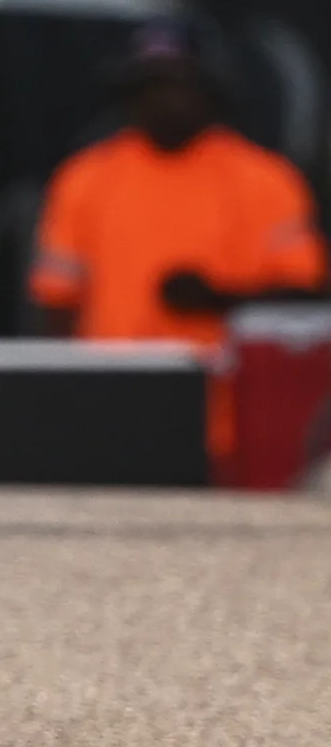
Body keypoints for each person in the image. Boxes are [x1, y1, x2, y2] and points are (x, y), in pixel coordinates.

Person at [30, 24, 327, 458]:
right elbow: (56, 302)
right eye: (149, 86)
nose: (163, 100)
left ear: (208, 90)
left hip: (231, 416)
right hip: (114, 407)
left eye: (176, 85)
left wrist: (219, 297)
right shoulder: (85, 178)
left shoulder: (266, 180)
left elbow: (305, 295)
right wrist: (64, 402)